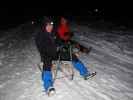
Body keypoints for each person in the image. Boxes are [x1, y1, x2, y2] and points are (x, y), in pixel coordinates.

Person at [35, 17, 57, 95]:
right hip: (46, 54)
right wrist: (52, 49)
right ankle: (48, 86)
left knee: (70, 54)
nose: (50, 27)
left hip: (55, 53)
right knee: (47, 62)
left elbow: (58, 41)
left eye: (51, 25)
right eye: (48, 25)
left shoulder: (53, 33)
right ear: (44, 26)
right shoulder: (40, 35)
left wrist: (63, 45)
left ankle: (85, 73)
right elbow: (41, 47)